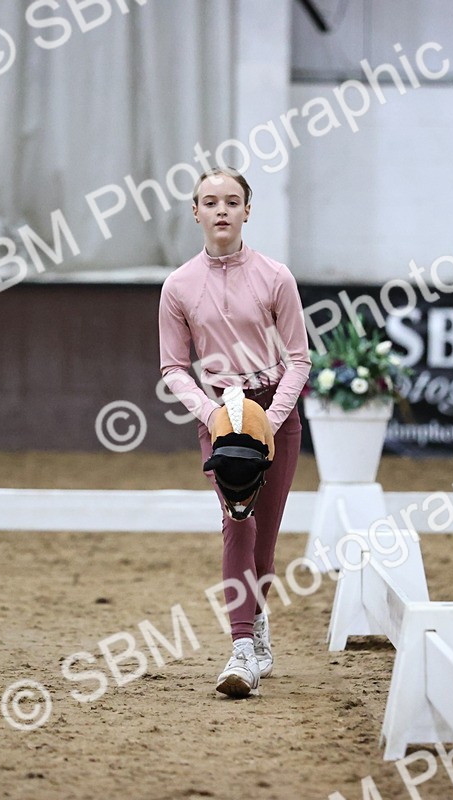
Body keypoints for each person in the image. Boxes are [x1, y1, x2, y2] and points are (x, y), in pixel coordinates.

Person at [158, 167, 310, 698]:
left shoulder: (276, 277)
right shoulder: (177, 285)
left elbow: (298, 359)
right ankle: (241, 649)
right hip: (221, 415)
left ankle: (257, 617)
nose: (220, 210)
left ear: (248, 210)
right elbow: (174, 367)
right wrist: (211, 415)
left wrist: (269, 420)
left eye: (231, 201)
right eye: (209, 201)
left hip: (275, 412)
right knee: (236, 527)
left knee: (263, 550)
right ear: (194, 212)